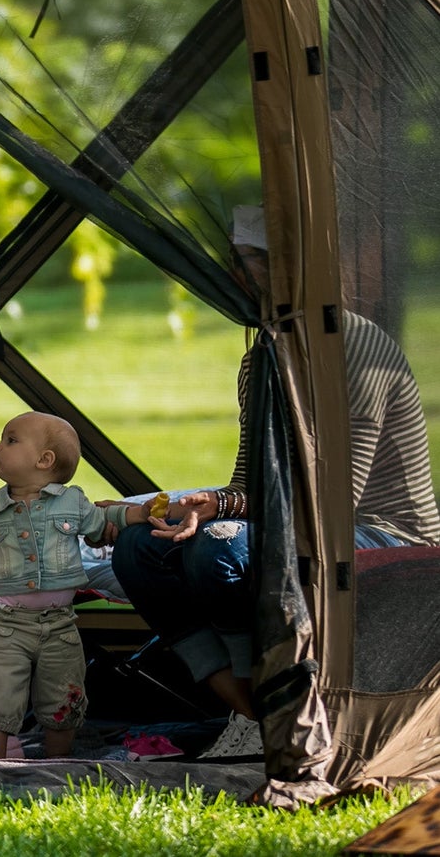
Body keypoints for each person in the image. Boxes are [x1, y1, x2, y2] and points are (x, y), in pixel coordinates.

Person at [111, 204, 440, 758]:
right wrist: (208, 504)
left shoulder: (353, 347)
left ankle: (272, 702)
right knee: (139, 548)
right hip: (297, 519)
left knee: (216, 553)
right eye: (237, 263)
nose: (243, 279)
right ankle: (244, 705)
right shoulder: (261, 355)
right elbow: (249, 482)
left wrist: (225, 513)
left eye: (257, 263)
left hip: (380, 533)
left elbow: (337, 500)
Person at [0, 411, 156, 759]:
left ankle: (57, 763)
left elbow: (103, 521)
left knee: (63, 699)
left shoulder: (72, 503)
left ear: (44, 460)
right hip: (5, 626)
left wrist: (138, 514)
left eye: (11, 440)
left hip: (60, 623)